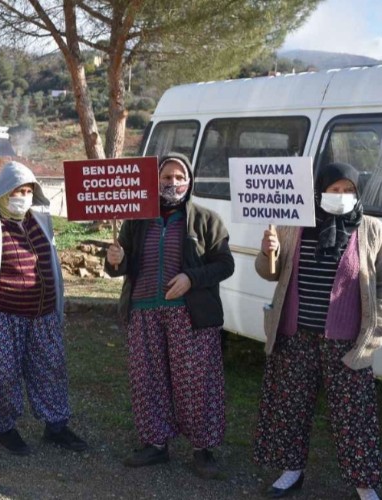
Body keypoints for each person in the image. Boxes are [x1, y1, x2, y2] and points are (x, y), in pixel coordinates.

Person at [253, 162, 382, 500]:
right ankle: (291, 471)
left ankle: (364, 485)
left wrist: (375, 334)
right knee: (290, 407)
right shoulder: (295, 224)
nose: (341, 196)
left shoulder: (371, 229)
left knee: (355, 417)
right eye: (334, 189)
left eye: (348, 190)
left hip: (346, 342)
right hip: (295, 335)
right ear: (320, 190)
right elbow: (269, 273)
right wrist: (268, 251)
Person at [105, 152, 234, 479]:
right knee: (148, 381)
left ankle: (203, 450)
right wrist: (115, 259)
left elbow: (224, 264)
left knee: (195, 383)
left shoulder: (206, 219)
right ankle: (155, 445)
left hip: (188, 316)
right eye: (166, 178)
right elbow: (118, 268)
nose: (173, 183)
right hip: (143, 313)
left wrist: (192, 278)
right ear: (155, 181)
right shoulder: (136, 220)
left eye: (179, 178)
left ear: (189, 182)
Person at [0, 161, 88, 456]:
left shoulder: (40, 219)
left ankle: (56, 427)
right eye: (17, 190)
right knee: (1, 373)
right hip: (1, 317)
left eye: (28, 190)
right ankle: (4, 428)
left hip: (43, 316)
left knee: (50, 369)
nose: (23, 196)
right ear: (3, 191)